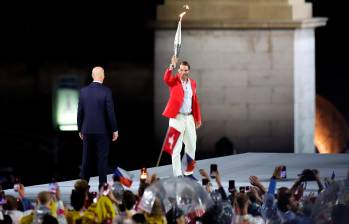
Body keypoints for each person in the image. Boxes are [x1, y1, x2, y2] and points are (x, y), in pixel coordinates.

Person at [77, 66, 119, 184]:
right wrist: (114, 130)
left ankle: (83, 187)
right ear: (102, 76)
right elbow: (110, 112)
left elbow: (80, 111)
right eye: (104, 73)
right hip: (103, 131)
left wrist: (80, 128)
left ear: (92, 76)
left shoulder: (83, 91)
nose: (104, 75)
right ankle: (102, 189)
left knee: (86, 160)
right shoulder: (106, 91)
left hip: (87, 130)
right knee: (102, 161)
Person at [162, 56, 202, 179]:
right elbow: (166, 79)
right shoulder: (174, 81)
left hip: (189, 118)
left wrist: (198, 118)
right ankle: (178, 174)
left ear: (188, 71)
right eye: (181, 70)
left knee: (191, 146)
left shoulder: (193, 83)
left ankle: (188, 173)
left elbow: (194, 101)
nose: (183, 72)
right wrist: (171, 66)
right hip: (176, 118)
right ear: (178, 70)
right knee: (175, 147)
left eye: (185, 70)